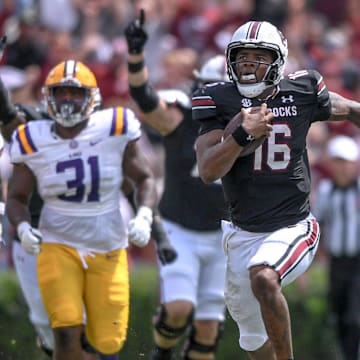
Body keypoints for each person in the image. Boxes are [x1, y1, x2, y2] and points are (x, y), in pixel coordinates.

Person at [192, 20, 360, 360]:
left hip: (293, 225)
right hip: (242, 234)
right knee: (255, 343)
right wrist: (240, 136)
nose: (249, 65)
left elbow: (351, 109)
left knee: (264, 278)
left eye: (258, 57)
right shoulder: (218, 99)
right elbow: (208, 170)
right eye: (242, 57)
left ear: (278, 61)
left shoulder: (302, 90)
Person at [5, 59, 158, 360]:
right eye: (60, 93)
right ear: (48, 96)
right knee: (65, 328)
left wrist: (144, 216)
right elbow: (17, 196)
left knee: (108, 341)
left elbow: (143, 178)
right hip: (57, 242)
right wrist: (22, 227)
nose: (66, 99)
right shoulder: (32, 136)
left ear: (92, 97)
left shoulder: (115, 127)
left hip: (106, 243)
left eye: (74, 93)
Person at [125, 10, 228, 360]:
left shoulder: (252, 125)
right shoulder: (181, 118)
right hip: (180, 227)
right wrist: (136, 57)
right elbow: (144, 99)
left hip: (223, 233)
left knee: (208, 332)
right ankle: (163, 352)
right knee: (180, 308)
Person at [312, 135, 360, 360]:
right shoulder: (326, 190)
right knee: (338, 313)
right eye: (337, 162)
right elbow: (318, 223)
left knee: (354, 315)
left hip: (358, 261)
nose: (342, 168)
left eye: (346, 162)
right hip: (337, 262)